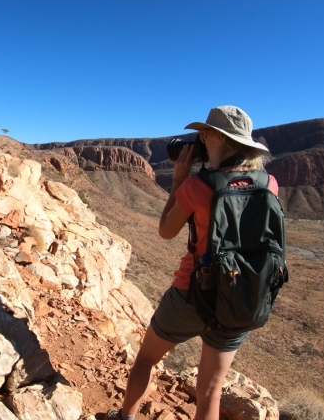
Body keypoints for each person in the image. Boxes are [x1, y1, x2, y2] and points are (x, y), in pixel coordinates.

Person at [108, 105, 279, 420]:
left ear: (214, 137)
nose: (199, 137)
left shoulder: (199, 186)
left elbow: (166, 231)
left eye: (204, 133)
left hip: (190, 295)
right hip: (241, 298)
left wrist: (180, 180)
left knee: (146, 359)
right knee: (210, 393)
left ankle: (125, 417)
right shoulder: (269, 184)